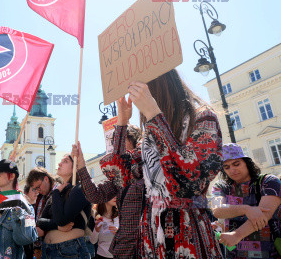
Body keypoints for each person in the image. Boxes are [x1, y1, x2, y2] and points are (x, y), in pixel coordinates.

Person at [82, 71, 224, 258]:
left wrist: (153, 114)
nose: (141, 101)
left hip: (187, 229)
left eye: (145, 91)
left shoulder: (203, 118)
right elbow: (118, 175)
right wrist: (122, 121)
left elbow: (191, 181)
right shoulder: (148, 138)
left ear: (162, 85)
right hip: (151, 236)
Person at [72, 125, 143, 259]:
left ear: (135, 142)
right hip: (125, 249)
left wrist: (122, 119)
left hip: (148, 244)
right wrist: (81, 164)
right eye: (114, 143)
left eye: (121, 141)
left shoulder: (149, 168)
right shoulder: (119, 177)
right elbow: (94, 195)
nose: (116, 148)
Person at [211, 143, 281, 258]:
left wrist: (236, 235)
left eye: (236, 164)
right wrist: (246, 209)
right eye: (226, 167)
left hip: (271, 253)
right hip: (235, 254)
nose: (232, 170)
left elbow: (264, 214)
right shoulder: (220, 186)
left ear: (247, 163)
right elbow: (217, 209)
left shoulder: (268, 181)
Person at [37, 154, 92, 259]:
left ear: (75, 168)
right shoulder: (59, 191)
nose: (59, 163)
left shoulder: (80, 189)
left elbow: (62, 220)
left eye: (65, 161)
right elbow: (41, 221)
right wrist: (57, 227)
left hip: (70, 250)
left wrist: (56, 192)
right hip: (48, 250)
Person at [27, 167, 58, 259]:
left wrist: (44, 231)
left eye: (38, 187)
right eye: (35, 189)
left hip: (55, 246)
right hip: (41, 247)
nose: (37, 191)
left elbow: (63, 222)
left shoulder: (59, 192)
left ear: (46, 179)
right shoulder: (41, 197)